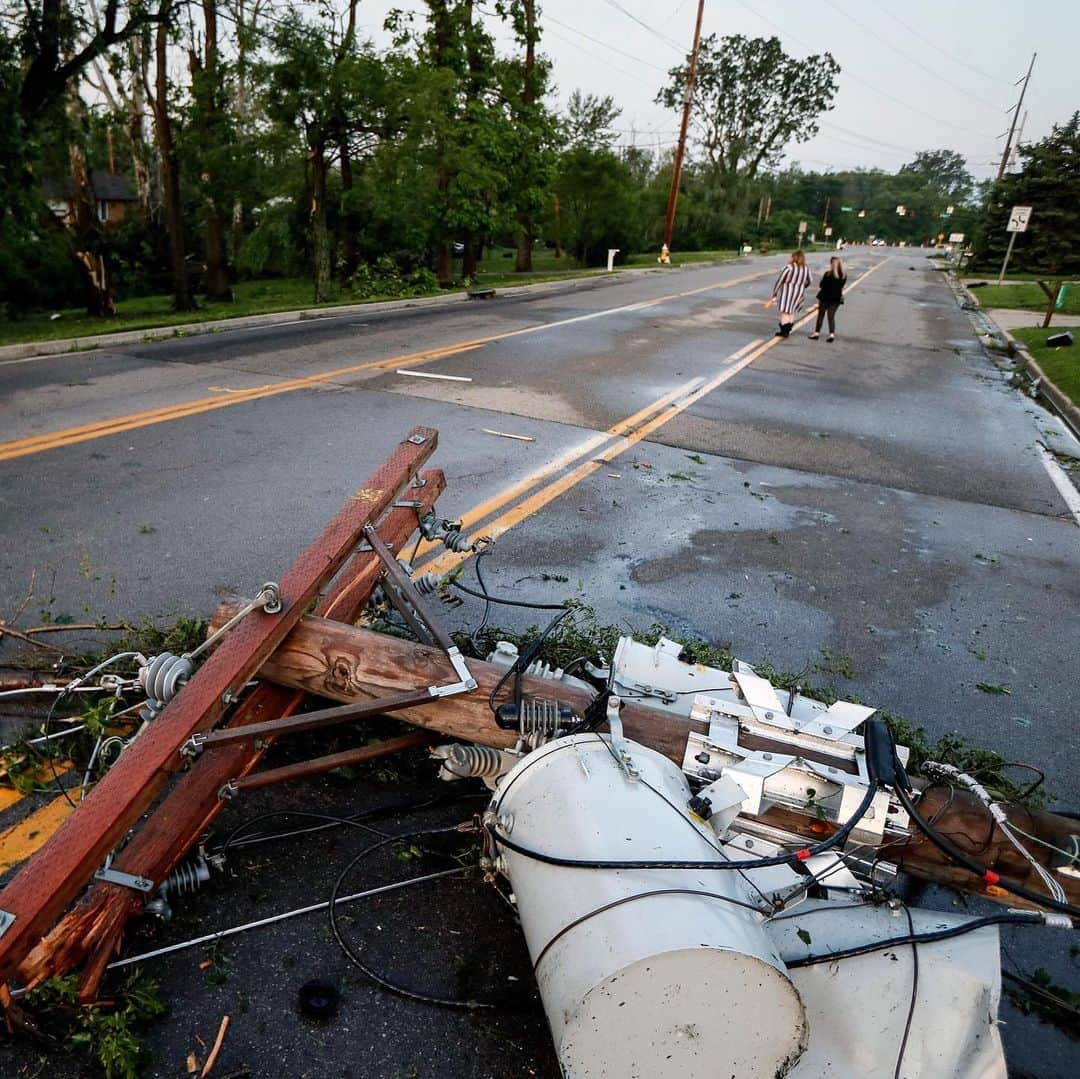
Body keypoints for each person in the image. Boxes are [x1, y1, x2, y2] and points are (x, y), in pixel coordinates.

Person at [765, 250, 812, 338]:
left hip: (787, 292)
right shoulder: (806, 268)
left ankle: (784, 331)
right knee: (791, 311)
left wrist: (774, 294)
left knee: (785, 312)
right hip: (799, 293)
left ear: (794, 257)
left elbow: (780, 281)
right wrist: (802, 287)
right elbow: (809, 281)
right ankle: (788, 329)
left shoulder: (789, 267)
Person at [809, 256, 846, 342]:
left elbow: (821, 285)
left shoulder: (828, 274)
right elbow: (841, 286)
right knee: (831, 317)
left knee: (821, 316)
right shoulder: (843, 276)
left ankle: (816, 333)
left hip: (825, 297)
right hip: (836, 299)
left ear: (832, 264)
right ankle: (831, 334)